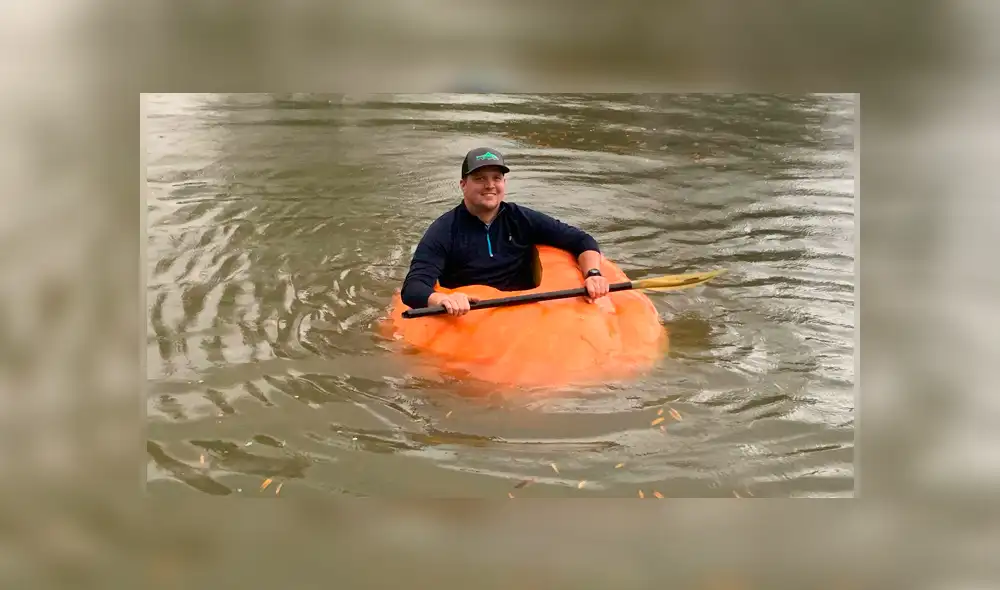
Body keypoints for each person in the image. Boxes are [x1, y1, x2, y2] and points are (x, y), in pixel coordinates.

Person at [401, 147, 610, 316]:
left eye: (496, 178)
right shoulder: (444, 230)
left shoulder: (521, 218)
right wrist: (444, 299)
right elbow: (413, 287)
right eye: (480, 178)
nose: (490, 185)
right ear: (463, 185)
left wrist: (593, 274)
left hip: (523, 310)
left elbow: (581, 240)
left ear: (504, 183)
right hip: (473, 315)